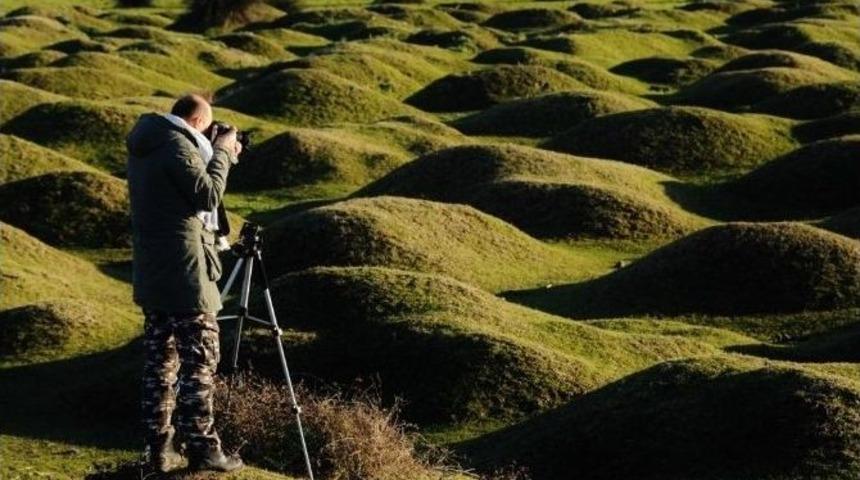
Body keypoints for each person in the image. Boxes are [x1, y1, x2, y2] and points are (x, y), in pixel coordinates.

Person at [125, 93, 243, 473]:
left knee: (161, 362)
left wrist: (217, 152)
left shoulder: (148, 143)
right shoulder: (176, 145)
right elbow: (206, 195)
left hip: (155, 271)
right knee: (200, 361)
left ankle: (158, 450)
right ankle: (204, 449)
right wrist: (222, 153)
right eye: (207, 129)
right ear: (194, 122)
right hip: (185, 272)